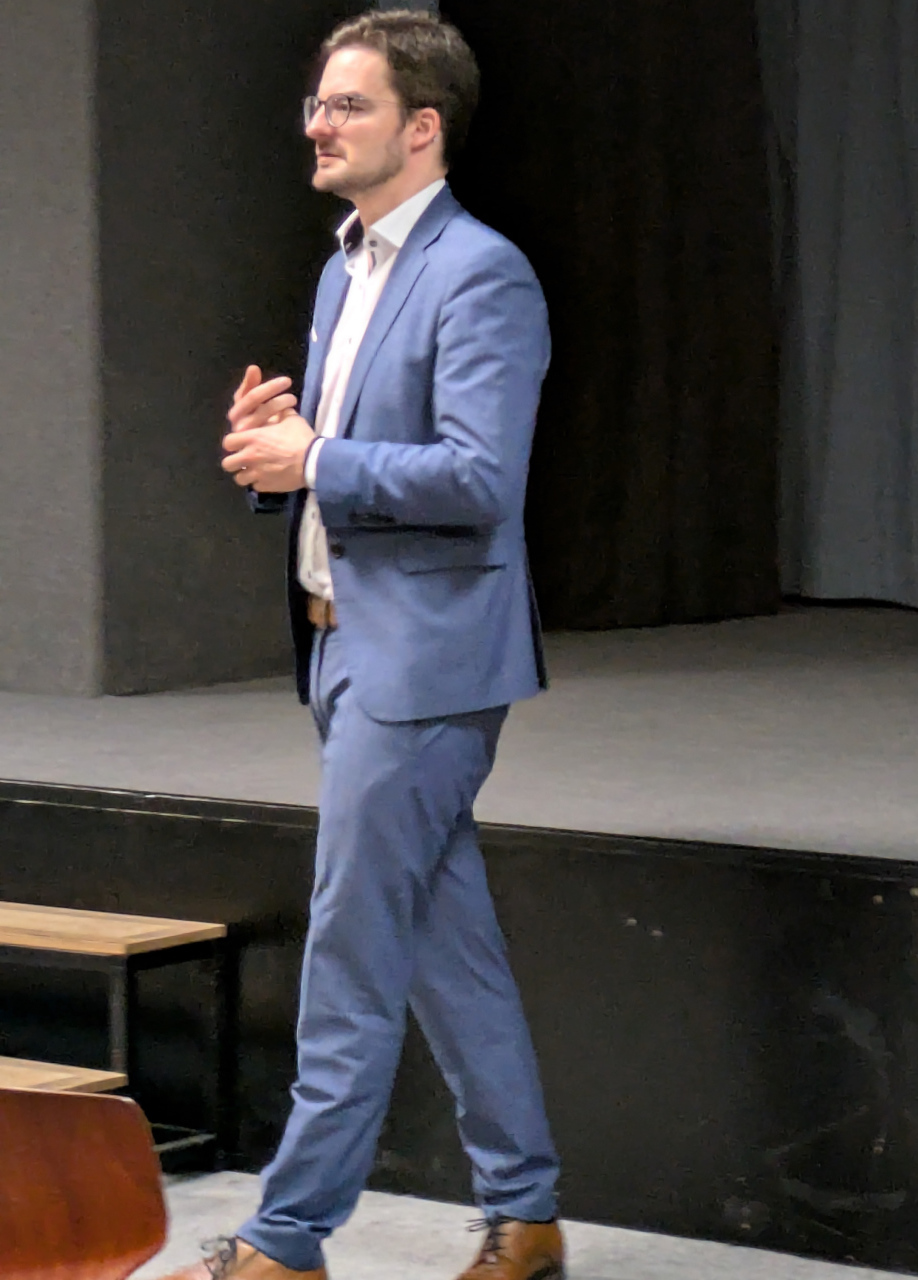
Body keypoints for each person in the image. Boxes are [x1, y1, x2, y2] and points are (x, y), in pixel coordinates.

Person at [162, 10, 562, 1279]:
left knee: (350, 946)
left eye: (348, 105)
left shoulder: (481, 273)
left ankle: (286, 1237)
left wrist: (319, 456)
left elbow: (481, 480)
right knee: (446, 944)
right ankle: (528, 1212)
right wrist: (272, 458)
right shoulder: (345, 267)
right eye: (318, 103)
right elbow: (343, 461)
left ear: (421, 127)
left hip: (426, 661)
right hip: (343, 650)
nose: (317, 124)